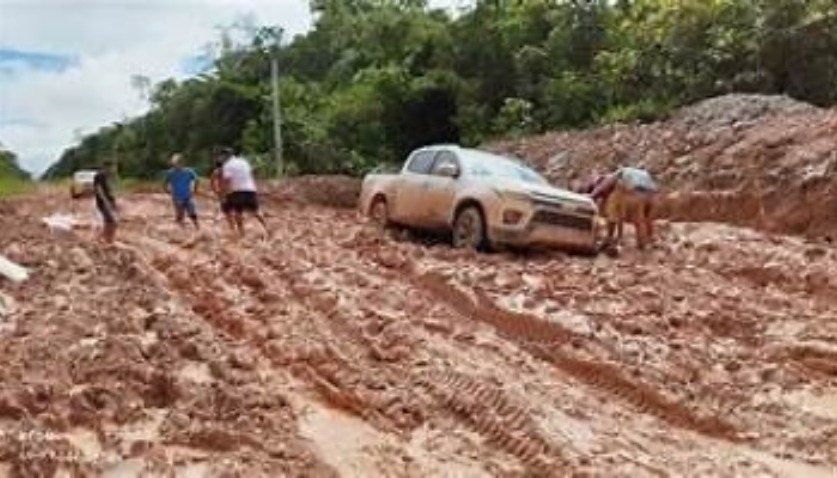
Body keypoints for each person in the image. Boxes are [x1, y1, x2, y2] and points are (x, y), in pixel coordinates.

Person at [590, 165, 658, 250]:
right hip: (652, 195)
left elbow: (602, 188)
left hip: (636, 193)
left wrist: (592, 196)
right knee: (646, 220)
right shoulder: (638, 173)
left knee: (638, 220)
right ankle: (650, 241)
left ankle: (642, 246)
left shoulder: (616, 175)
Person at [217, 147, 268, 237]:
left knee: (238, 211)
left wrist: (223, 195)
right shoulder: (244, 161)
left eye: (221, 156)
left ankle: (241, 233)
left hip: (237, 190)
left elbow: (227, 181)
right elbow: (251, 174)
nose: (220, 158)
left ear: (225, 156)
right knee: (255, 210)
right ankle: (266, 227)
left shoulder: (227, 165)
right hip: (250, 189)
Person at [163, 153, 199, 229]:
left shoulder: (189, 171)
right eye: (174, 163)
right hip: (177, 197)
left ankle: (197, 227)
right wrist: (167, 190)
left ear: (182, 163)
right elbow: (165, 182)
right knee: (180, 214)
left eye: (177, 163)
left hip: (187, 196)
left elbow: (197, 179)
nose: (175, 165)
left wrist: (195, 189)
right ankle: (180, 230)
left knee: (192, 212)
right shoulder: (170, 173)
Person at [93, 159, 119, 244]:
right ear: (106, 167)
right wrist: (106, 202)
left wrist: (114, 201)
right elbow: (99, 190)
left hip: (108, 202)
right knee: (112, 222)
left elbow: (108, 189)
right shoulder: (99, 176)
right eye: (111, 167)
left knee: (109, 222)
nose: (113, 169)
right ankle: (102, 239)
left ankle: (107, 239)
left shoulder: (106, 176)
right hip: (104, 203)